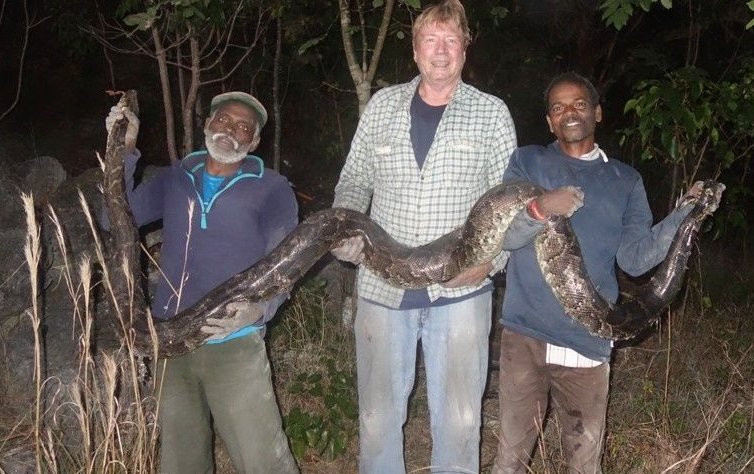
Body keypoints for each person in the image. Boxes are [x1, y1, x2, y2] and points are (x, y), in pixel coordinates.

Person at [490, 71, 718, 474]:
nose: (569, 113)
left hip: (587, 343)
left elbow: (636, 259)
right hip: (524, 335)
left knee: (583, 463)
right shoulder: (526, 162)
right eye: (557, 108)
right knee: (510, 459)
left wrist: (685, 211)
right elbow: (506, 238)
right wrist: (540, 209)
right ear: (549, 121)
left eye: (579, 104)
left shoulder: (625, 180)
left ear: (597, 112)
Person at [330, 1, 517, 472]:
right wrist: (345, 226)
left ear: (464, 49)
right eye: (430, 40)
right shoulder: (382, 106)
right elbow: (354, 180)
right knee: (376, 419)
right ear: (414, 51)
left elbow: (508, 207)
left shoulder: (492, 114)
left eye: (450, 40)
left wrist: (489, 265)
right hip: (381, 290)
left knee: (459, 421)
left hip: (461, 291)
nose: (440, 51)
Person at [103, 91, 300, 474]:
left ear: (254, 142)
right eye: (224, 120)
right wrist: (124, 151)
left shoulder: (273, 188)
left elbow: (285, 265)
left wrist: (259, 311)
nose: (231, 130)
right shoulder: (177, 176)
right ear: (208, 125)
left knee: (263, 460)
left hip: (232, 340)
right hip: (170, 342)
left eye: (244, 127)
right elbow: (115, 219)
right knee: (180, 462)